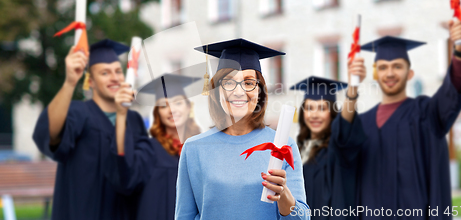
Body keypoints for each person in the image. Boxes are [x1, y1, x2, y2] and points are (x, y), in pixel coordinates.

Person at [338, 20, 461, 219]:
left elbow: (452, 94)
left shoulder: (426, 114)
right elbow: (341, 144)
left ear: (410, 73)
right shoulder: (362, 124)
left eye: (397, 66)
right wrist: (352, 89)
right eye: (383, 67)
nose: (390, 73)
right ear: (376, 74)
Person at [175, 38, 310, 219]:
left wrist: (283, 194)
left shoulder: (283, 146)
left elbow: (303, 217)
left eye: (248, 83)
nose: (239, 92)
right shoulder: (193, 149)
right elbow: (184, 216)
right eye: (229, 82)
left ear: (259, 91)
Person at [33, 39, 155, 220]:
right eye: (105, 73)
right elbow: (52, 135)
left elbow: (135, 175)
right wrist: (69, 82)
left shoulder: (134, 121)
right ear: (90, 81)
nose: (114, 77)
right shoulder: (77, 112)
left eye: (117, 71)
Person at [290, 75, 366, 219]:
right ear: (303, 112)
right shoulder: (299, 150)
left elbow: (345, 127)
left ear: (332, 112)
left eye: (321, 108)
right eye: (309, 108)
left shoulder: (338, 147)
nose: (314, 115)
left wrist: (352, 91)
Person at [129, 74, 201, 220]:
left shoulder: (201, 148)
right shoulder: (148, 150)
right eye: (163, 105)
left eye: (178, 102)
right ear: (157, 113)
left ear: (189, 107)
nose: (171, 110)